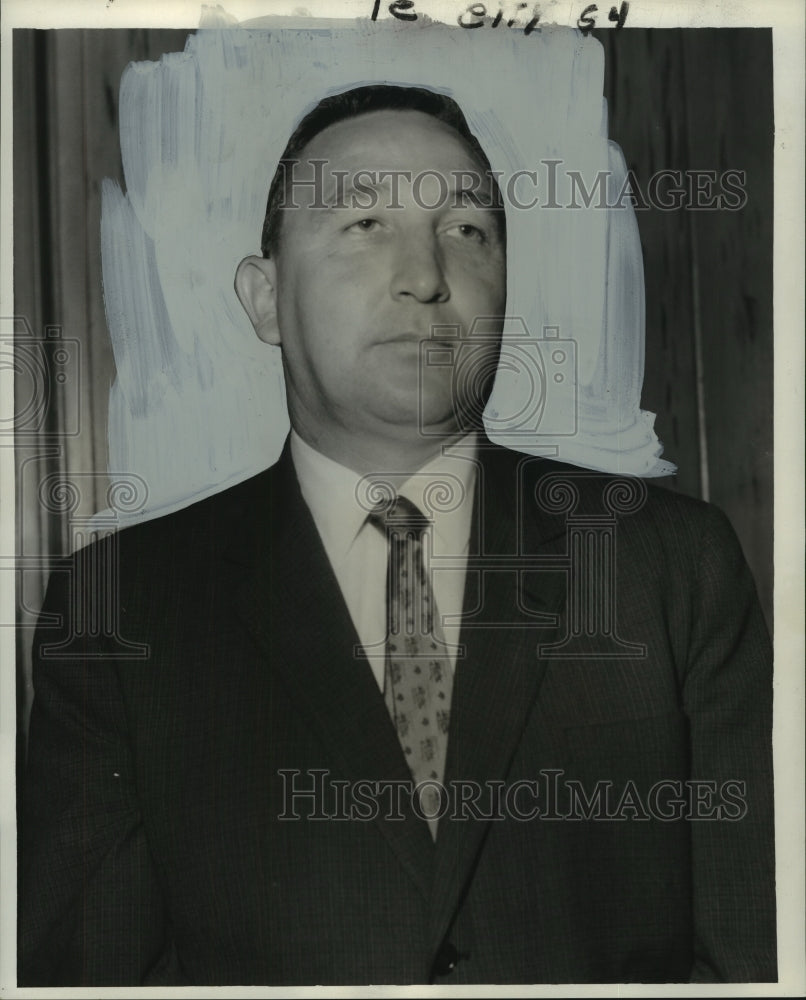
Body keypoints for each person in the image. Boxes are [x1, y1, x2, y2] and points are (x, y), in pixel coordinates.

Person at [19, 85, 776, 986]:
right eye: (365, 223)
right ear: (264, 299)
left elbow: (754, 956)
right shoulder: (118, 610)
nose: (425, 274)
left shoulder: (671, 565)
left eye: (467, 230)